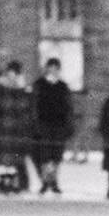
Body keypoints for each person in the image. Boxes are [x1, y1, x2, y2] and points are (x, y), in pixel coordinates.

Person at [0, 62, 33, 193]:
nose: (11, 76)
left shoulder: (23, 90)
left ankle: (13, 182)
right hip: (2, 128)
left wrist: (27, 127)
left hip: (17, 130)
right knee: (2, 157)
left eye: (14, 73)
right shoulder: (0, 89)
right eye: (10, 73)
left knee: (14, 158)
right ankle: (3, 181)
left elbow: (27, 111)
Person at [32, 57, 73, 195]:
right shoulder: (39, 84)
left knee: (56, 155)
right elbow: (34, 105)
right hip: (43, 124)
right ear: (47, 69)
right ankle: (45, 181)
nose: (53, 71)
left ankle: (54, 181)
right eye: (51, 68)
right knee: (44, 155)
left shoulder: (63, 86)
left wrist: (68, 125)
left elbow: (68, 107)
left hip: (59, 125)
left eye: (56, 68)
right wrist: (35, 124)